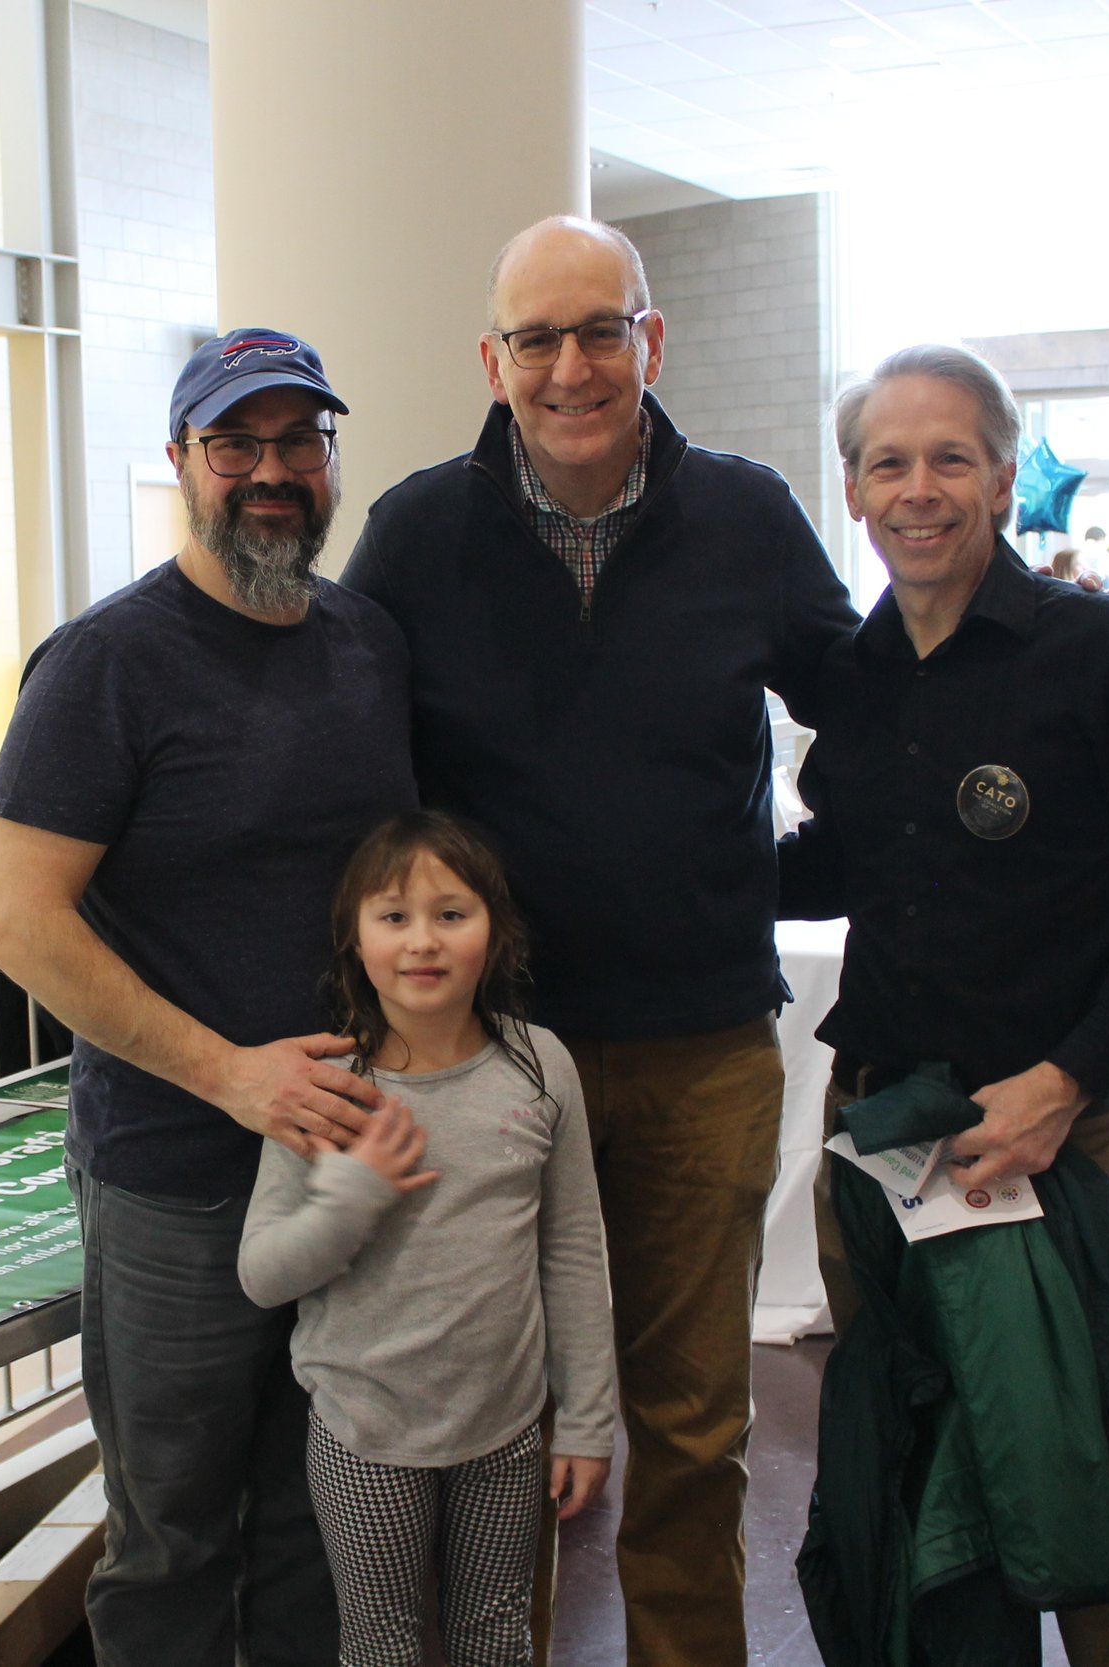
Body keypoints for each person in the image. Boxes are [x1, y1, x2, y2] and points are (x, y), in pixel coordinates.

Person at [341, 214, 858, 1664]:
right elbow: (353, 764)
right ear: (493, 359)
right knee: (483, 1426)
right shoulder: (420, 530)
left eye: (601, 331)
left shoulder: (749, 515)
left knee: (690, 1424)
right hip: (486, 1064)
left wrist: (778, 878)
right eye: (539, 339)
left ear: (652, 340)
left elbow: (866, 718)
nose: (572, 367)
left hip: (698, 1050)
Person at [784, 343, 1109, 1665]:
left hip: (1042, 1136)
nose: (919, 487)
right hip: (882, 1129)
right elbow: (846, 859)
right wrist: (670, 866)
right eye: (891, 461)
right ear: (853, 487)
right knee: (919, 1466)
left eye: (950, 458)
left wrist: (1071, 1077)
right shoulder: (861, 674)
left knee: (1096, 1491)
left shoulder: (1105, 651)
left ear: (1003, 478)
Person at [0, 326, 417, 1667]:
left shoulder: (366, 640)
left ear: (332, 459)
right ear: (183, 461)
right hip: (179, 1176)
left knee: (314, 1518)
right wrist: (231, 1071)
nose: (271, 471)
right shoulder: (106, 662)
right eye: (238, 443)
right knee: (172, 1537)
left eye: (299, 442)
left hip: (344, 1159)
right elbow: (19, 920)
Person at [239, 812, 617, 1667]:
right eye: (394, 915)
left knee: (496, 1635)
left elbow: (571, 1247)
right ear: (354, 938)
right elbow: (261, 1274)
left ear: (496, 931)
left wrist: (589, 1420)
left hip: (508, 1430)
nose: (423, 941)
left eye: (452, 913)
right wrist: (352, 1196)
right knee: (381, 1646)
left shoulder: (541, 1064)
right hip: (365, 1431)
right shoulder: (323, 1088)